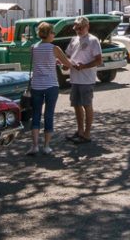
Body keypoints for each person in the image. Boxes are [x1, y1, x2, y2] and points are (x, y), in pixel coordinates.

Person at [26, 22, 73, 155]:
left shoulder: (33, 47)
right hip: (51, 85)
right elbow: (67, 63)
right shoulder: (55, 48)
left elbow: (40, 62)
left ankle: (34, 145)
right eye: (53, 33)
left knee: (36, 115)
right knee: (49, 114)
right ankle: (46, 146)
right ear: (48, 34)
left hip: (36, 85)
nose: (54, 35)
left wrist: (54, 61)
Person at [64, 16, 103, 144]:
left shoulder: (93, 40)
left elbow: (99, 60)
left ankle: (87, 134)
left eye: (80, 28)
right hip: (75, 78)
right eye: (76, 28)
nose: (78, 31)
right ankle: (80, 131)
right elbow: (68, 56)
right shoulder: (74, 39)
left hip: (87, 79)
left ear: (87, 27)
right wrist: (65, 63)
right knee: (76, 105)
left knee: (87, 105)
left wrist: (84, 66)